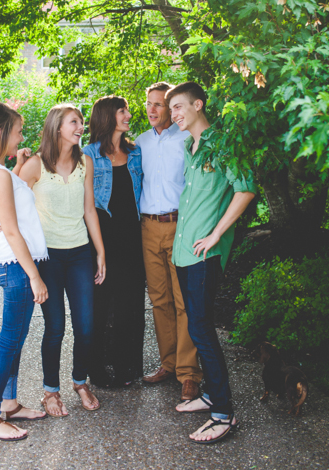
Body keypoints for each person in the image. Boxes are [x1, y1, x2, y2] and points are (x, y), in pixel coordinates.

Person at [167, 81, 255, 444]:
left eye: (179, 107)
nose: (174, 115)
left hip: (206, 253)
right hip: (184, 251)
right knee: (196, 325)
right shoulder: (191, 146)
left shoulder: (223, 143)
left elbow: (245, 188)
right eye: (171, 109)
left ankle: (223, 413)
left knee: (202, 329)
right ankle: (210, 396)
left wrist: (217, 233)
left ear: (198, 105)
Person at [16, 104, 106, 416]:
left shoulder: (85, 162)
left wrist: (100, 252)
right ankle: (50, 392)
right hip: (48, 257)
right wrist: (17, 164)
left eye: (81, 122)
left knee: (86, 327)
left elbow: (89, 209)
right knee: (55, 327)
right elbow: (8, 195)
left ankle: (80, 382)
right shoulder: (36, 164)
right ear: (57, 128)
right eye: (74, 122)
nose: (80, 126)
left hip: (80, 252)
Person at [0, 102, 50, 442]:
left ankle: (10, 403)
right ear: (1, 133)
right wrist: (34, 275)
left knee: (15, 340)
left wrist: (18, 164)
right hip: (15, 264)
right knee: (9, 342)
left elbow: (5, 209)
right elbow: (13, 230)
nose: (21, 137)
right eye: (18, 131)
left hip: (10, 261)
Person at [135, 82, 202, 401]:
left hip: (179, 226)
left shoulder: (187, 138)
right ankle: (169, 363)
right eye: (148, 104)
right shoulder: (139, 143)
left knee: (182, 300)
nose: (151, 110)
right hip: (148, 227)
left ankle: (190, 373)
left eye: (159, 104)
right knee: (159, 299)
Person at [82, 96, 145, 388]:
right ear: (109, 116)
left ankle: (126, 365)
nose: (129, 115)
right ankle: (97, 368)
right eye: (123, 111)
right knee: (101, 305)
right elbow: (83, 201)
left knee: (130, 303)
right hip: (101, 237)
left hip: (132, 236)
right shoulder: (88, 154)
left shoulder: (135, 152)